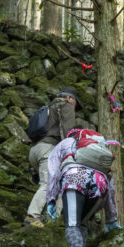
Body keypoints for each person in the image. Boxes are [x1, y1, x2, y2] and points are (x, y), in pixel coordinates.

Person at [45, 129, 121, 247]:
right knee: (82, 222)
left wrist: (51, 199)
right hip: (100, 183)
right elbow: (110, 186)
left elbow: (53, 171)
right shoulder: (100, 147)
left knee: (73, 223)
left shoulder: (66, 143)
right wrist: (111, 218)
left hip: (75, 177)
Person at [24, 88, 80, 228]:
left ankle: (51, 221)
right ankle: (32, 216)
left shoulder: (48, 109)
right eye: (75, 103)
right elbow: (68, 132)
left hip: (35, 151)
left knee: (60, 188)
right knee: (47, 185)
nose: (75, 107)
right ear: (69, 98)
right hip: (48, 150)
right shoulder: (65, 106)